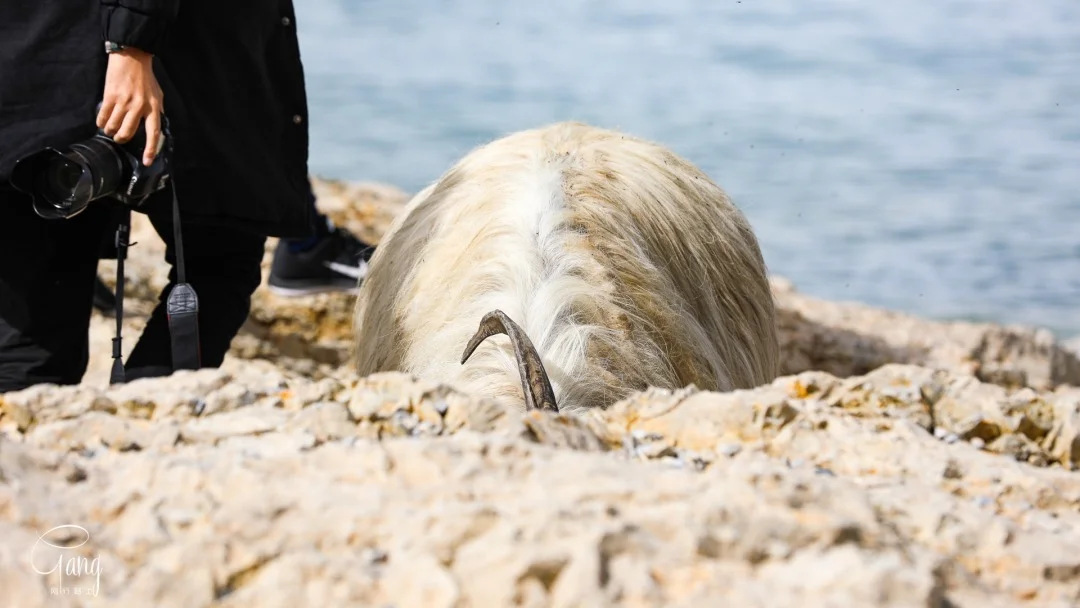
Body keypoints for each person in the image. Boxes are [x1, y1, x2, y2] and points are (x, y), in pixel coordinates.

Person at [0, 1, 366, 392]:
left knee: (34, 342)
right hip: (176, 60)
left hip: (32, 57)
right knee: (219, 260)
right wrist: (130, 46)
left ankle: (54, 441)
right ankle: (142, 418)